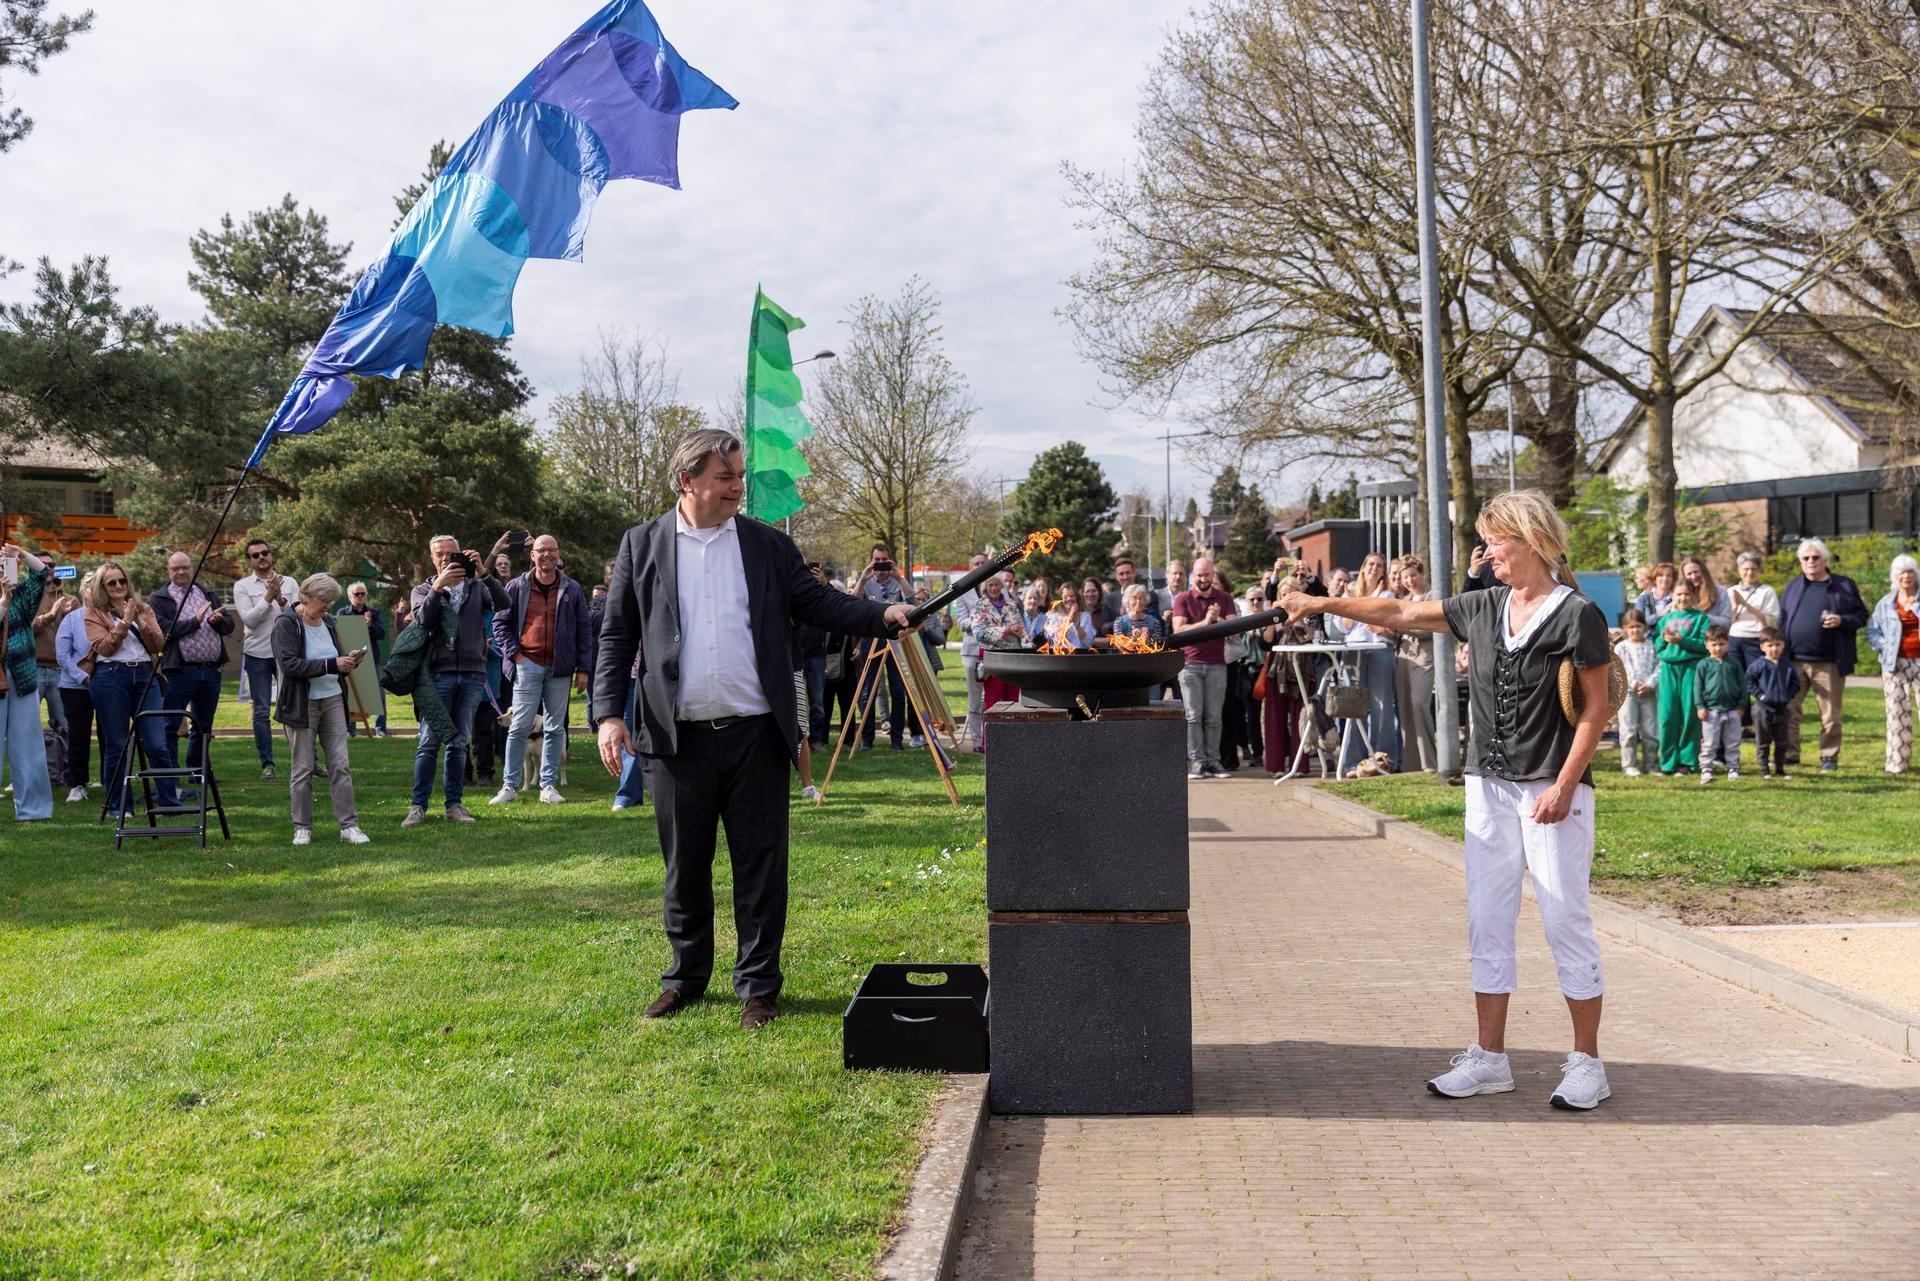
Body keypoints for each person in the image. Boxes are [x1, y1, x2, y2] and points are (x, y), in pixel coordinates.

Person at [1279, 489, 1615, 1111]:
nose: (1486, 553)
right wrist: (1320, 602)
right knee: (1487, 919)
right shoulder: (1484, 605)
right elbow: (1399, 612)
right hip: (1487, 786)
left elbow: (1597, 709)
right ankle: (1489, 1059)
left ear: (1531, 541)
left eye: (1495, 541)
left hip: (1550, 785)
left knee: (1563, 917)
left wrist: (1566, 784)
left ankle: (1587, 1064)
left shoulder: (1577, 614)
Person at [592, 428, 913, 1029]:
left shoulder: (766, 545)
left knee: (761, 868)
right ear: (686, 481)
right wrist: (609, 714)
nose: (738, 487)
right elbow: (617, 635)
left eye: (739, 476)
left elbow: (819, 604)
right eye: (725, 477)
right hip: (676, 739)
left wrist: (882, 615)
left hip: (757, 736)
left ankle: (759, 987)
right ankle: (685, 979)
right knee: (684, 869)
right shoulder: (642, 544)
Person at [405, 532, 512, 827]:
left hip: (472, 674)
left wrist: (484, 572)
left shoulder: (477, 587)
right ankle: (418, 806)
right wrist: (437, 588)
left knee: (458, 742)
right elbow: (423, 621)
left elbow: (504, 603)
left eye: (451, 554)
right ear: (432, 558)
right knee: (429, 742)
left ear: (462, 555)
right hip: (436, 675)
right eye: (439, 554)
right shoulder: (422, 590)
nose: (445, 559)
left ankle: (453, 804)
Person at [492, 534, 592, 806]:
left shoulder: (572, 588)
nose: (547, 554)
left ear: (558, 555)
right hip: (528, 664)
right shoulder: (516, 586)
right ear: (532, 555)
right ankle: (509, 787)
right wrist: (516, 655)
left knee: (555, 728)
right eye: (541, 550)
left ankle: (548, 786)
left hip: (560, 668)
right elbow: (499, 623)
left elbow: (584, 630)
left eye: (552, 550)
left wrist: (584, 669)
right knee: (519, 727)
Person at [273, 573, 370, 846]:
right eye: (325, 600)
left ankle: (349, 826)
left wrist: (348, 661)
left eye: (332, 601)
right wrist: (332, 664)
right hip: (301, 704)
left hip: (333, 699)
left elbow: (333, 660)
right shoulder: (286, 623)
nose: (328, 606)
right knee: (303, 768)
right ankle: (302, 827)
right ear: (307, 596)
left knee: (340, 765)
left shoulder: (328, 622)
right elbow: (289, 664)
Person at [83, 560, 177, 816]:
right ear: (102, 587)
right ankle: (119, 806)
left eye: (122, 580)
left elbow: (160, 645)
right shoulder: (94, 613)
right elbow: (104, 648)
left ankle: (169, 803)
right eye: (111, 582)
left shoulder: (143, 608)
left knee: (157, 743)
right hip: (110, 677)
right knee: (117, 745)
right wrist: (124, 622)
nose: (118, 586)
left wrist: (141, 623)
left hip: (145, 675)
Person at [1779, 537, 1867, 772]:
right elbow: (1782, 621)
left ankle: (1829, 756)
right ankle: (1790, 753)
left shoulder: (1844, 585)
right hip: (1794, 660)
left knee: (1830, 713)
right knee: (1789, 709)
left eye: (1815, 557)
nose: (1810, 561)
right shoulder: (1792, 586)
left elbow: (1861, 616)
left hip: (1829, 662)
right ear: (1800, 561)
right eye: (1806, 558)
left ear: (1825, 560)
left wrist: (1841, 620)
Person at [149, 550, 236, 785]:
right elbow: (165, 630)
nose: (180, 572)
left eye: (185, 567)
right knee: (170, 724)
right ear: (168, 571)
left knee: (203, 725)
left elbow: (229, 626)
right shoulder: (159, 599)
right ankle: (171, 776)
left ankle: (198, 771)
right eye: (175, 568)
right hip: (179, 671)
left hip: (210, 670)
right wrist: (195, 621)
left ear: (192, 568)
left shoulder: (207, 593)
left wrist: (218, 621)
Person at [233, 539, 298, 779]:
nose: (261, 557)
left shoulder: (289, 582)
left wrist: (281, 599)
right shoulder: (242, 586)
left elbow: (298, 616)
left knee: (293, 706)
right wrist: (268, 597)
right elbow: (249, 620)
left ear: (271, 555)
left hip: (287, 653)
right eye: (255, 555)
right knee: (261, 711)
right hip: (257, 654)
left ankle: (306, 761)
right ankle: (267, 764)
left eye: (265, 553)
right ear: (249, 560)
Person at [1171, 555, 1238, 779]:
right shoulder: (1183, 598)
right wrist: (1206, 623)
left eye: (1207, 575)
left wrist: (1217, 620)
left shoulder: (1224, 598)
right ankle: (1197, 763)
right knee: (1193, 716)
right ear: (1193, 576)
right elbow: (1179, 630)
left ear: (1212, 575)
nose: (1203, 579)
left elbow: (1235, 628)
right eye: (1199, 575)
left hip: (1217, 664)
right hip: (1190, 665)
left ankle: (1213, 762)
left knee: (1214, 717)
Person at [0, 544, 54, 821]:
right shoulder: (9, 599)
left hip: (21, 675)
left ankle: (33, 809)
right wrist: (2, 603)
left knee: (28, 745)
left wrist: (20, 554)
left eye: (3, 566)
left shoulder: (20, 596)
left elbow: (41, 572)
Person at [1340, 552, 1401, 776]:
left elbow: (1386, 624)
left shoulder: (1387, 595)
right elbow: (1345, 626)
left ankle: (1383, 759)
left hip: (1379, 649)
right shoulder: (1350, 594)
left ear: (1383, 572)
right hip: (1353, 650)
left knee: (1382, 706)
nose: (1374, 568)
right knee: (1353, 706)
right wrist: (1352, 603)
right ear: (1363, 567)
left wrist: (1358, 606)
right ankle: (1352, 762)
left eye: (1379, 565)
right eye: (1371, 564)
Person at [852, 548, 918, 750]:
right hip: (871, 640)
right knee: (868, 690)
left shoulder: (897, 582)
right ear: (871, 560)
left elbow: (913, 602)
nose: (881, 563)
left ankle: (896, 739)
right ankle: (867, 739)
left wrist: (900, 578)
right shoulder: (867, 582)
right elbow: (852, 604)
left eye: (884, 559)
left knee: (898, 690)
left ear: (890, 560)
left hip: (896, 640)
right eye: (877, 559)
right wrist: (863, 579)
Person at [1864, 553, 1920, 774]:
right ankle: (1897, 764)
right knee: (1897, 714)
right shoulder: (1886, 603)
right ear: (1894, 576)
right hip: (1894, 664)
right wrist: (1885, 645)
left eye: (1910, 571)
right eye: (1901, 572)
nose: (1906, 576)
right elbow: (1872, 631)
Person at [1654, 581, 1711, 776]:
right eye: (1678, 594)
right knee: (1667, 716)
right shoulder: (1666, 619)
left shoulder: (1701, 619)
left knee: (1689, 715)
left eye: (1686, 594)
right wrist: (1664, 640)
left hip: (1691, 668)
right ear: (1673, 595)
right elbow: (1657, 645)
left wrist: (1682, 641)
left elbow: (1705, 645)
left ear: (1693, 595)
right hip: (1668, 669)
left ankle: (1687, 761)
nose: (1682, 598)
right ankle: (1668, 762)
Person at [1394, 557, 1438, 772]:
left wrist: (1399, 625)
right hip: (1405, 655)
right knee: (1405, 709)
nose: (1409, 580)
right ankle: (1411, 765)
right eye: (1405, 577)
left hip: (1425, 656)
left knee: (1419, 704)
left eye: (1413, 575)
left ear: (1422, 574)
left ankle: (1431, 763)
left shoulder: (1433, 596)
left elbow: (1429, 628)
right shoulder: (1406, 599)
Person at [30, 558, 77, 754]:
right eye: (42, 564)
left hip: (60, 671)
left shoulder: (69, 599)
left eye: (51, 565)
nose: (48, 568)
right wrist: (51, 615)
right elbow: (25, 630)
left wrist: (67, 615)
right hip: (32, 670)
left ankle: (67, 770)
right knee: (27, 726)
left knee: (65, 726)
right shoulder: (25, 597)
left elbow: (79, 635)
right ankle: (29, 770)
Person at [55, 582, 95, 801]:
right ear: (82, 590)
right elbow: (63, 656)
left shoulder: (112, 616)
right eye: (89, 585)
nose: (94, 590)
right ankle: (77, 783)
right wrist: (83, 677)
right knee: (78, 735)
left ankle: (110, 780)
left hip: (107, 683)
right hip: (75, 686)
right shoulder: (71, 619)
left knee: (110, 735)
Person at [1694, 624, 1747, 784]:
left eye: (1721, 644)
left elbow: (1743, 686)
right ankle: (1706, 769)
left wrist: (1741, 706)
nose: (1718, 648)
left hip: (1732, 710)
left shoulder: (1734, 664)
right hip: (1711, 711)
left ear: (1728, 644)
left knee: (1732, 741)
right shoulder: (1703, 665)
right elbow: (1698, 687)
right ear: (1707, 645)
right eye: (1714, 644)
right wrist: (1700, 706)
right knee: (1709, 742)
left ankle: (1733, 768)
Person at [1746, 627, 1800, 779]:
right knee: (1763, 740)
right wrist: (1760, 696)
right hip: (1762, 709)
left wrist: (1787, 696)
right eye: (1770, 645)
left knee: (1782, 741)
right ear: (1762, 647)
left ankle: (1780, 768)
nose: (1774, 649)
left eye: (1777, 645)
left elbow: (1795, 683)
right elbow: (1749, 681)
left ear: (1783, 645)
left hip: (1782, 709)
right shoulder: (1759, 664)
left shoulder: (1787, 665)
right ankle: (1764, 769)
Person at [336, 582, 390, 736]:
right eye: (356, 594)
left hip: (371, 659)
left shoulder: (374, 613)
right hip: (350, 659)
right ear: (349, 596)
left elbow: (381, 634)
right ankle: (350, 729)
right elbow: (338, 633)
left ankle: (380, 728)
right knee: (351, 693)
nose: (360, 596)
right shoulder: (342, 613)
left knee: (379, 693)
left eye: (362, 594)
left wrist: (369, 625)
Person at [951, 552, 990, 753]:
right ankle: (976, 740)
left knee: (989, 697)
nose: (980, 566)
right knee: (975, 699)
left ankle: (989, 738)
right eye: (977, 563)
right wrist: (978, 620)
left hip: (992, 650)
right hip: (972, 650)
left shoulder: (994, 589)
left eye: (984, 563)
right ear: (971, 567)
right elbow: (962, 622)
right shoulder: (963, 591)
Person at [1616, 609, 1658, 777]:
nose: (1635, 630)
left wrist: (1650, 684)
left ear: (1645, 627)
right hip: (1628, 694)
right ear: (1625, 628)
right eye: (1631, 627)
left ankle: (1651, 765)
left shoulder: (1652, 646)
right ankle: (1629, 765)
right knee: (1628, 730)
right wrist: (1633, 684)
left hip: (1649, 694)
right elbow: (1619, 669)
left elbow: (1659, 666)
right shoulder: (1621, 648)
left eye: (1638, 626)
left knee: (1650, 731)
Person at [1725, 551, 1779, 674]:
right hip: (1734, 638)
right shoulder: (1731, 591)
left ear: (1759, 570)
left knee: (1756, 675)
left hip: (1756, 639)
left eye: (1753, 569)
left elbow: (1768, 621)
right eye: (1746, 569)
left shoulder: (1767, 591)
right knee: (1735, 675)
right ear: (1739, 570)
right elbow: (1728, 621)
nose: (1749, 572)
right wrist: (1735, 606)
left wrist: (1744, 604)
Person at [1104, 558, 1161, 625]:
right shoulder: (1109, 600)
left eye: (1128, 573)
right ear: (1116, 577)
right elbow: (1105, 627)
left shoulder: (1149, 595)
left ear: (1134, 573)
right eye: (1121, 574)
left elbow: (1155, 620)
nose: (1125, 577)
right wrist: (1124, 621)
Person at [1680, 555, 1730, 630]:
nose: (1693, 577)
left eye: (1696, 572)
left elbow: (1727, 622)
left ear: (1703, 571)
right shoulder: (1680, 595)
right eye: (1689, 574)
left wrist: (1702, 618)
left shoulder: (1720, 591)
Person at [1634, 562, 1677, 626]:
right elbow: (1637, 622)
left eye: (1668, 576)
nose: (1665, 578)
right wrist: (1661, 614)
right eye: (1661, 575)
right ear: (1654, 579)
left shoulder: (1676, 599)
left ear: (1673, 580)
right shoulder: (1643, 599)